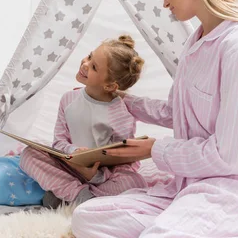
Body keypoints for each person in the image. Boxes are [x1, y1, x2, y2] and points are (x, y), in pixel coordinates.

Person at [71, 0, 238, 238]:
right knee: (86, 217)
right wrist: (123, 99)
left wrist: (154, 149)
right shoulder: (196, 41)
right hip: (190, 186)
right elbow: (177, 113)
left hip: (235, 191)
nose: (163, 2)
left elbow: (230, 157)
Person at [20, 35, 149, 209]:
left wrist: (96, 174)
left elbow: (125, 159)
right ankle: (81, 196)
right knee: (29, 154)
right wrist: (74, 153)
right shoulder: (68, 99)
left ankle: (70, 196)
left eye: (94, 67)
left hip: (104, 175)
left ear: (110, 86)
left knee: (135, 183)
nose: (85, 64)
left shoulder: (120, 112)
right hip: (71, 167)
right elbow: (59, 142)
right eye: (89, 56)